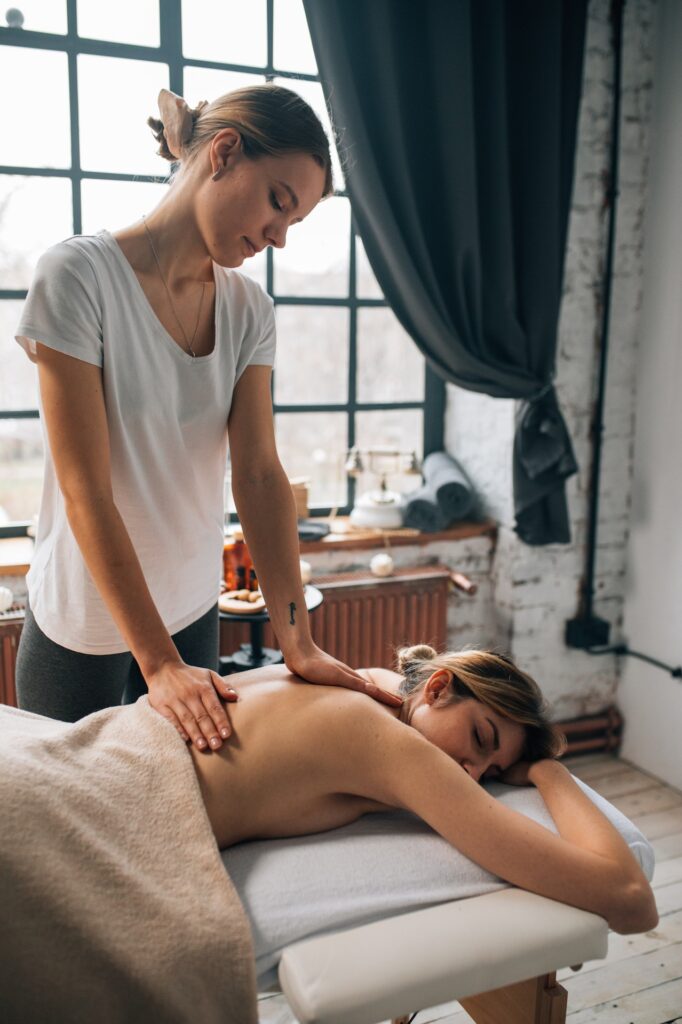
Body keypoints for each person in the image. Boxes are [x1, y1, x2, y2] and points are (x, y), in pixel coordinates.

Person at [14, 84, 401, 750]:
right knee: (70, 840)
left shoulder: (249, 310)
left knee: (183, 820)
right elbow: (86, 489)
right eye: (280, 201)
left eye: (295, 222)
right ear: (223, 152)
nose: (279, 236)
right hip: (82, 625)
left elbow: (257, 473)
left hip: (191, 610)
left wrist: (296, 642)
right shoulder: (77, 276)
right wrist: (156, 663)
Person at [191, 643, 658, 936]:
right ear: (437, 689)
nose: (472, 774)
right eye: (481, 738)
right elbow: (631, 899)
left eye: (492, 772)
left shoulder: (373, 682)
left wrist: (505, 756)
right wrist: (551, 773)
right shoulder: (389, 743)